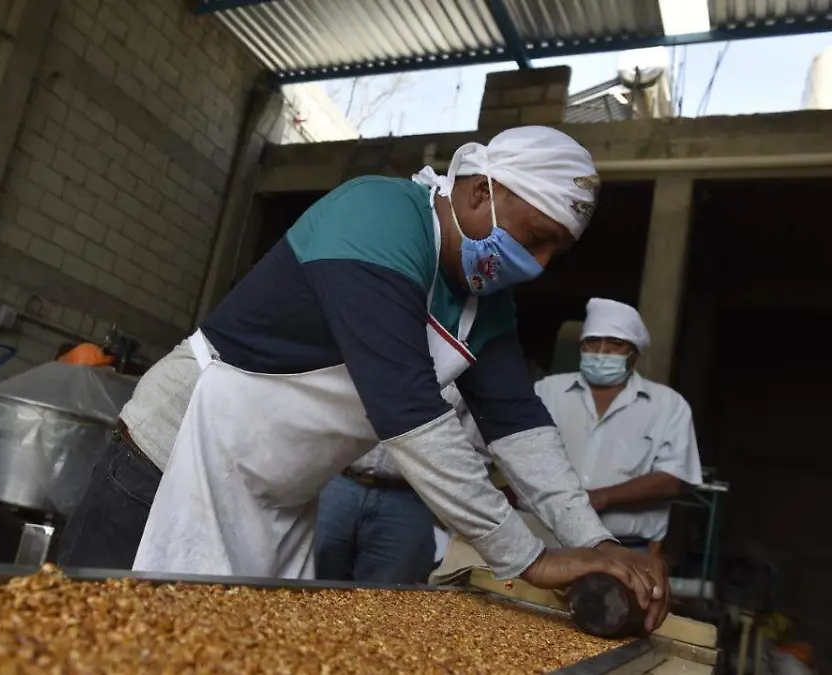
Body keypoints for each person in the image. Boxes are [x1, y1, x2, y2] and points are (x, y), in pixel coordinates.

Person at [58, 126, 669, 631]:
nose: (538, 265)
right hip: (169, 460)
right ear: (481, 191)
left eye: (555, 251)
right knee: (102, 638)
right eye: (536, 239)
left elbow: (520, 428)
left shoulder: (488, 301)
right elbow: (407, 411)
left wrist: (599, 547)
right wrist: (528, 558)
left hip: (272, 497)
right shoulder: (378, 218)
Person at [534, 298, 702, 557]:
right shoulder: (546, 391)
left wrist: (602, 498)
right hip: (540, 542)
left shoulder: (668, 405)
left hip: (623, 549)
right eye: (592, 342)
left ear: (634, 354)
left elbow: (674, 479)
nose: (601, 352)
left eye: (615, 345)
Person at [314, 383, 484, 584]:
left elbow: (474, 455)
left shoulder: (464, 365)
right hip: (338, 484)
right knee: (307, 590)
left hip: (409, 501)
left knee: (389, 600)